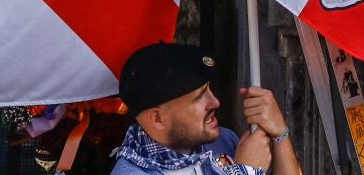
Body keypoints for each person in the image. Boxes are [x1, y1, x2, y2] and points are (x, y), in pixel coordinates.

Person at [109, 42, 298, 175]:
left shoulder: (224, 140)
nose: (215, 102)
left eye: (208, 89)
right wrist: (245, 171)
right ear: (158, 118)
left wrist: (280, 133)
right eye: (199, 97)